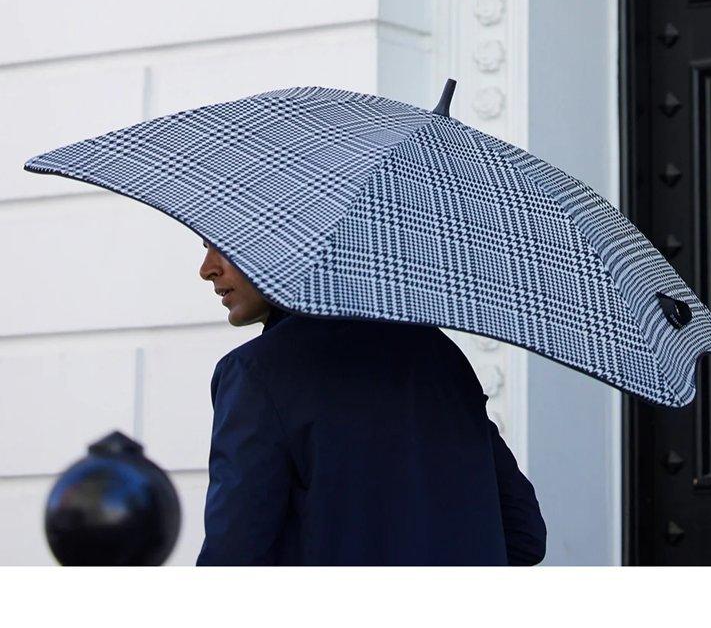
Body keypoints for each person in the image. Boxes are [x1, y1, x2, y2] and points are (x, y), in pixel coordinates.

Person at [196, 240, 547, 566]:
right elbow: (524, 534)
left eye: (221, 246)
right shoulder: (438, 354)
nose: (207, 268)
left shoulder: (255, 374)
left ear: (287, 243)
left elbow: (232, 559)